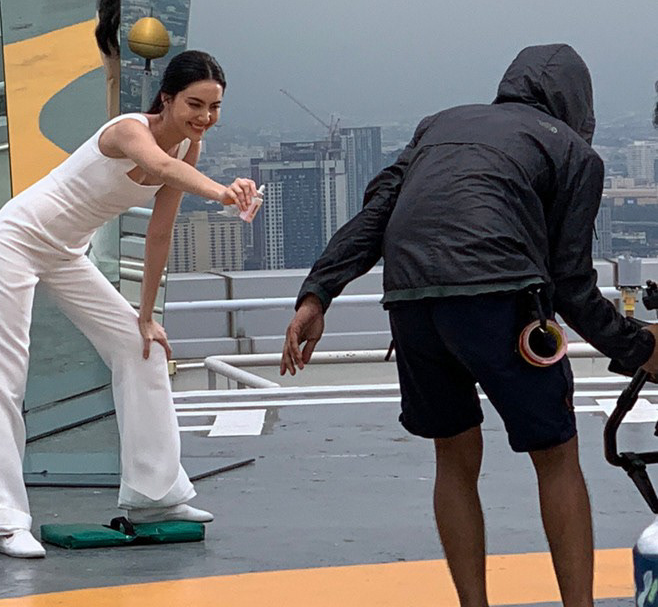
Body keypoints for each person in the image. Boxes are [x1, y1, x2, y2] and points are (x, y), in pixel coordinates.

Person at [281, 44, 658, 607]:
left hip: (411, 299)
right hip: (500, 298)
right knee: (555, 457)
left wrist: (317, 294)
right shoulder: (574, 152)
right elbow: (572, 283)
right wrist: (639, 348)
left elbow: (376, 214)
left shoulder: (439, 126)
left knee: (454, 458)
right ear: (580, 103)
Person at [0, 49, 260, 558]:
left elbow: (159, 232)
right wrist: (224, 193)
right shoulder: (128, 131)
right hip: (17, 239)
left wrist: (145, 317)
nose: (204, 117)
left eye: (214, 107)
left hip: (66, 253)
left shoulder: (187, 149)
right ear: (166, 99)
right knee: (5, 373)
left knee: (140, 347)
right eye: (195, 104)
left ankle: (155, 496)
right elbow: (158, 165)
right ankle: (1, 518)